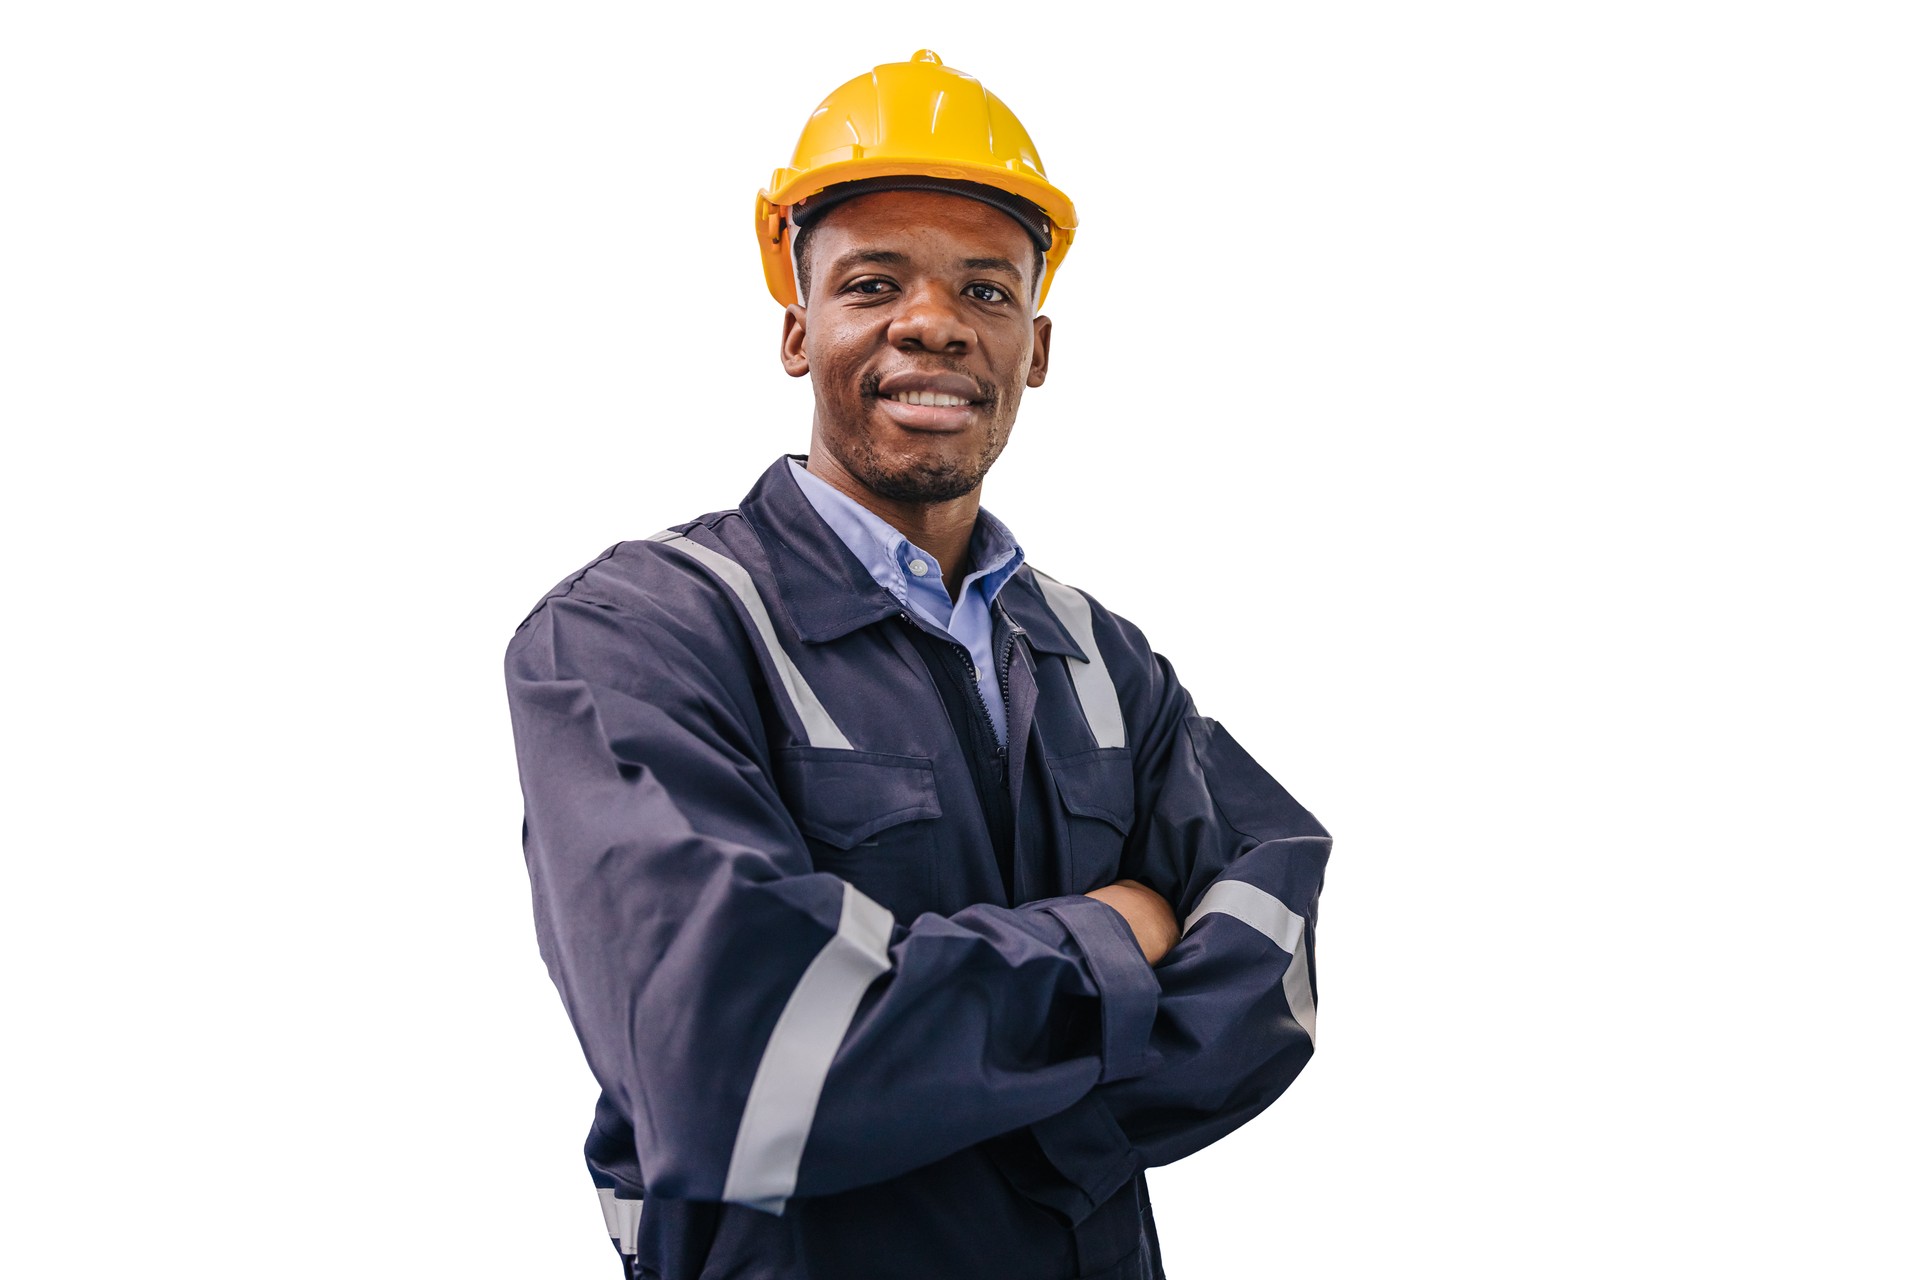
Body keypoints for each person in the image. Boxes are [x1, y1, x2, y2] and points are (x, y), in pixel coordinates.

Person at [504, 49, 1331, 1280]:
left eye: (986, 291)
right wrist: (1114, 934)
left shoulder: (1109, 664)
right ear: (798, 326)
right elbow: (728, 1070)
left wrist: (904, 1065)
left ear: (1035, 348)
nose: (934, 322)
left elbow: (1267, 991)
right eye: (874, 281)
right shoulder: (638, 633)